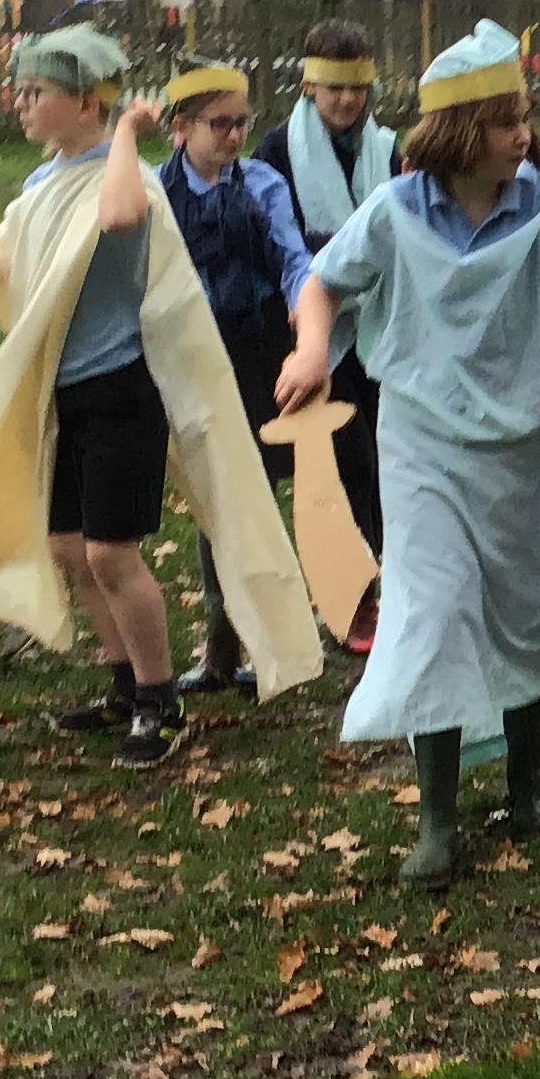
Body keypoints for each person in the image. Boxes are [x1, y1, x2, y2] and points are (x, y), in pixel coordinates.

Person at [0, 25, 324, 767]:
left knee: (111, 554)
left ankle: (161, 702)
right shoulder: (42, 184)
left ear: (84, 102)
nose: (20, 104)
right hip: (63, 393)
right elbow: (6, 251)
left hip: (122, 390)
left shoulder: (129, 181)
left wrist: (127, 132)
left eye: (36, 92)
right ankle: (125, 685)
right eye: (21, 92)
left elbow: (120, 215)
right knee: (70, 549)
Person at [306, 20, 540, 885]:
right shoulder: (395, 214)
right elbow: (322, 286)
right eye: (506, 119)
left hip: (519, 453)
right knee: (434, 616)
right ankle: (437, 819)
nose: (525, 133)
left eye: (524, 117)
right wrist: (309, 351)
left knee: (525, 609)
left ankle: (530, 780)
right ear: (458, 131)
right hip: (421, 448)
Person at [153, 60, 325, 698]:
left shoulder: (262, 185)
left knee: (257, 494)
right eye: (217, 124)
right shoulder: (154, 192)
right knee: (213, 498)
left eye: (240, 123)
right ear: (181, 127)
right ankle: (222, 646)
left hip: (258, 355)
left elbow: (293, 258)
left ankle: (267, 638)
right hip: (189, 358)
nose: (232, 136)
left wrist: (304, 311)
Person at [256, 21, 395, 645]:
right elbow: (275, 238)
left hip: (379, 325)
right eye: (334, 87)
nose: (346, 100)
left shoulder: (386, 148)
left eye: (356, 87)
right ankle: (351, 600)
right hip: (310, 331)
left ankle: (386, 587)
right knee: (339, 469)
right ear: (309, 85)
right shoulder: (277, 151)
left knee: (383, 464)